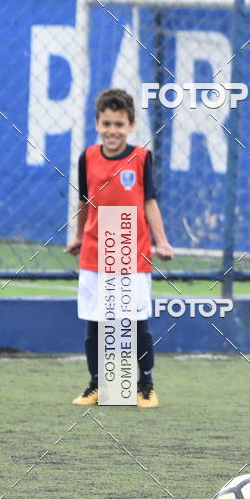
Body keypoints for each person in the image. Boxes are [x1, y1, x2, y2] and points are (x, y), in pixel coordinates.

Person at [65, 88, 173, 408]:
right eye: (106, 124)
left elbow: (149, 202)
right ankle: (97, 385)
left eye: (119, 124)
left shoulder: (140, 158)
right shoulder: (87, 157)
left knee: (136, 321)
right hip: (95, 251)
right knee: (95, 320)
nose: (112, 130)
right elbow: (84, 202)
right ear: (97, 124)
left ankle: (146, 385)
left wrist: (162, 240)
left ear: (131, 126)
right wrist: (79, 236)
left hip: (130, 249)